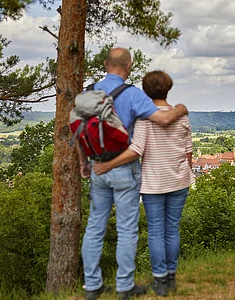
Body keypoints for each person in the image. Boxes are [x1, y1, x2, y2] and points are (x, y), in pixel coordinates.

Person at [77, 48, 188, 300]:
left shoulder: (87, 92)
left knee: (94, 228)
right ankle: (124, 286)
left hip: (97, 166)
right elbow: (163, 119)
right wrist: (181, 108)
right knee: (127, 229)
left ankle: (92, 286)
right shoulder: (132, 94)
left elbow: (79, 130)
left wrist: (84, 162)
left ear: (106, 64)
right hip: (124, 169)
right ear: (128, 66)